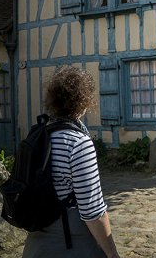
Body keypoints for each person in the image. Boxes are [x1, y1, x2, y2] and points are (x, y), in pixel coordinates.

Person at [22, 66, 120, 258]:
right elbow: (92, 210)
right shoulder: (77, 143)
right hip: (71, 242)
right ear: (82, 102)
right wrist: (112, 253)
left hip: (37, 242)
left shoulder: (37, 135)